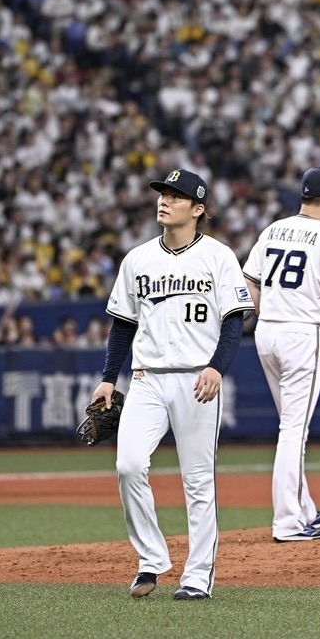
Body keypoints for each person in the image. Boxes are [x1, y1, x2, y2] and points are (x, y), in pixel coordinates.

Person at [90, 168, 253, 601]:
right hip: (146, 380)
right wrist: (109, 379)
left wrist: (218, 367)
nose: (164, 200)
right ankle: (151, 559)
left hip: (197, 380)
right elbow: (122, 326)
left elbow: (234, 321)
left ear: (198, 209)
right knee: (128, 466)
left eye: (176, 196)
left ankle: (198, 577)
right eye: (162, 192)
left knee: (198, 482)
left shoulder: (218, 257)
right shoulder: (138, 259)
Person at [243, 165, 320, 541]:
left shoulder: (273, 229)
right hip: (300, 334)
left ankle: (306, 509)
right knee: (294, 430)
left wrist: (267, 314)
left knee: (289, 426)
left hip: (267, 332)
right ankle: (288, 522)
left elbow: (248, 281)